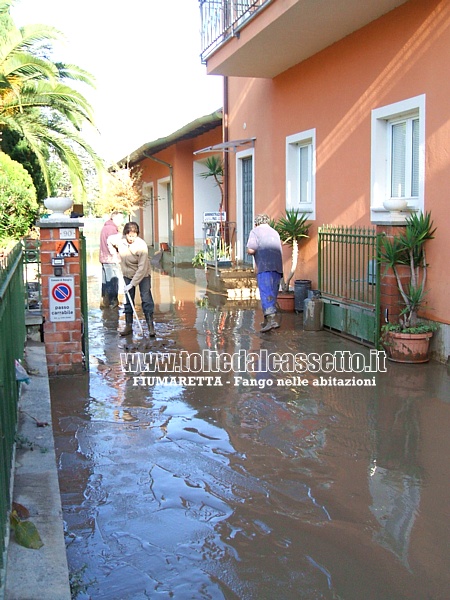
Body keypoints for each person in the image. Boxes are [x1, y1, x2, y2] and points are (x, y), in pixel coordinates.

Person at [107, 221, 156, 337]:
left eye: (134, 236)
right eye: (129, 235)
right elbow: (109, 240)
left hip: (143, 274)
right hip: (127, 274)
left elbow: (142, 268)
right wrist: (113, 253)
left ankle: (150, 326)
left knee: (146, 298)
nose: (131, 238)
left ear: (137, 234)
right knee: (128, 300)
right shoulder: (120, 241)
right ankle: (128, 326)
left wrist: (132, 284)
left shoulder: (142, 246)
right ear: (125, 234)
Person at [247, 213, 283, 332]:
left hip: (265, 266)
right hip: (277, 267)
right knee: (272, 293)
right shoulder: (275, 232)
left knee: (266, 293)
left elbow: (251, 249)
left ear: (256, 223)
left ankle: (272, 321)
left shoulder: (255, 232)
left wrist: (249, 251)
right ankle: (267, 320)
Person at [99, 211, 124, 309]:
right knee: (113, 281)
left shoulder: (105, 227)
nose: (121, 221)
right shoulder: (112, 229)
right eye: (120, 219)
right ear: (114, 218)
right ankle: (112, 303)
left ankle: (105, 302)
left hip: (104, 258)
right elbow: (116, 243)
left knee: (105, 281)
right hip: (111, 259)